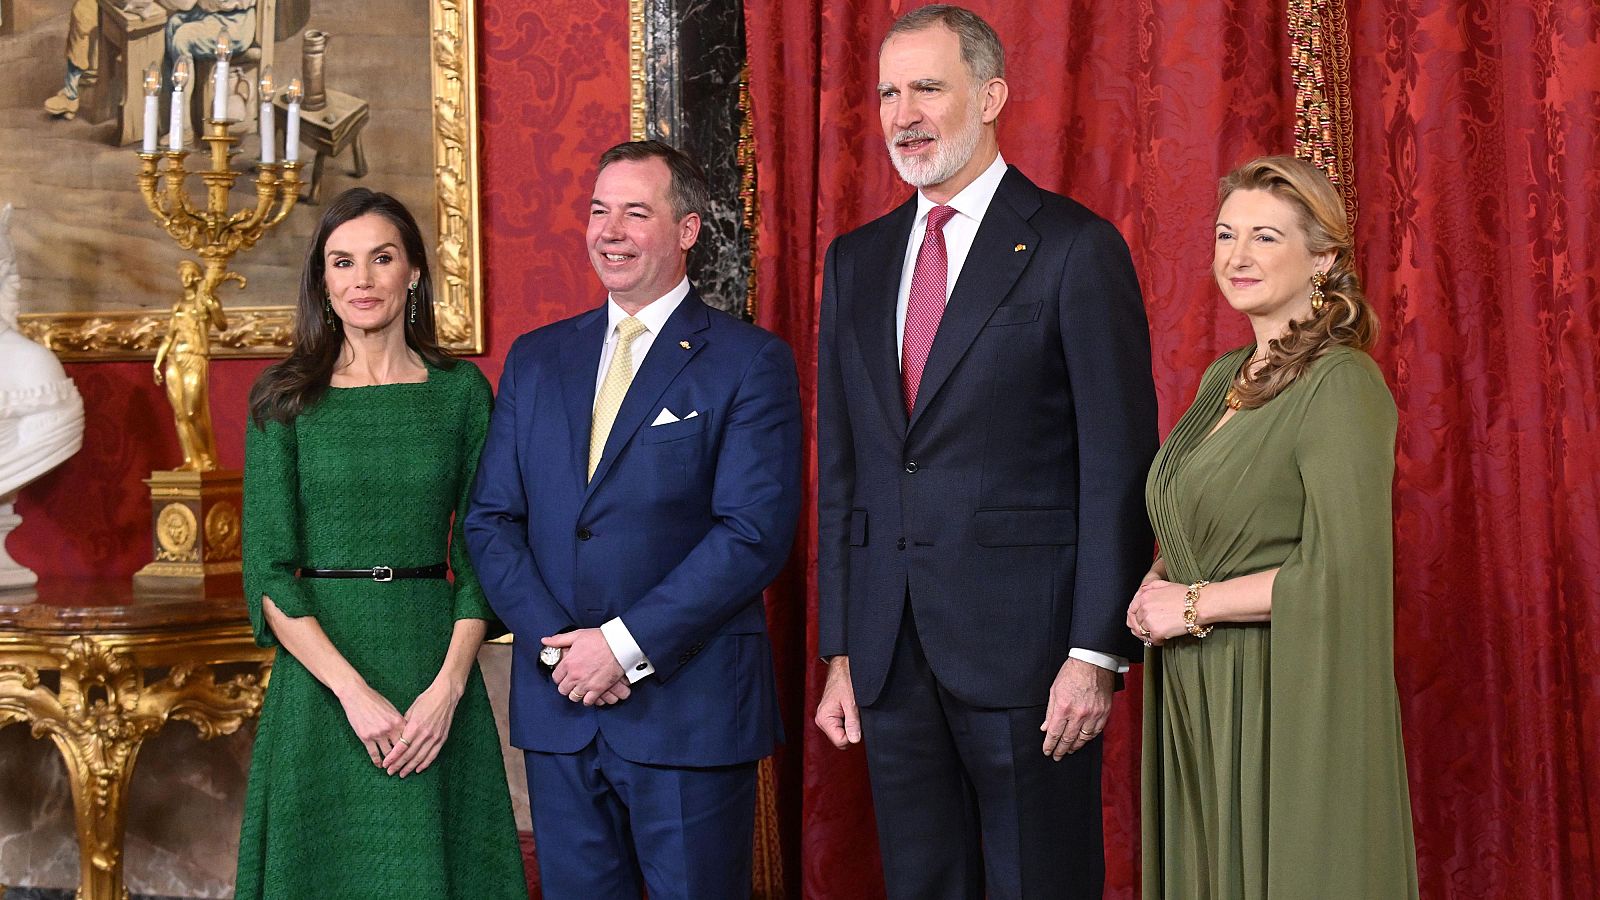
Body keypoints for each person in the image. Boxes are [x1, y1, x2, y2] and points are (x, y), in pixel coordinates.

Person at [812, 6, 1158, 898]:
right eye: (888, 93)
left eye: (928, 88)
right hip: (889, 654)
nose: (903, 115)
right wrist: (842, 650)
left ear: (992, 96)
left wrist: (1095, 652)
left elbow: (1118, 465)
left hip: (1031, 656)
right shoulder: (855, 260)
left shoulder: (1075, 247)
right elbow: (845, 470)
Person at [464, 140, 802, 900]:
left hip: (687, 709)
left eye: (635, 213)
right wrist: (563, 652)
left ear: (687, 230)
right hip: (559, 708)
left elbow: (752, 534)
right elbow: (490, 520)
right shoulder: (536, 358)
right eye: (599, 211)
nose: (609, 232)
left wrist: (620, 647)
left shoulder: (748, 361)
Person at [1127, 155, 1418, 898]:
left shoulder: (1342, 383)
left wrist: (1190, 605)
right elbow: (1205, 515)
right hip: (1196, 681)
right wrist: (1158, 580)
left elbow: (1343, 572)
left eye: (1265, 237)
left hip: (1278, 689)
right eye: (1226, 235)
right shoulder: (1223, 377)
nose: (1238, 256)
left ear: (1321, 259)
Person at [236, 188, 525, 899]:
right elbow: (269, 572)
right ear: (322, 280)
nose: (361, 279)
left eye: (381, 258)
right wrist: (354, 694)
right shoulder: (284, 397)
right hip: (322, 682)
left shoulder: (461, 392)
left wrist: (448, 690)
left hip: (432, 670)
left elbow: (482, 553)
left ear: (414, 271)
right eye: (342, 262)